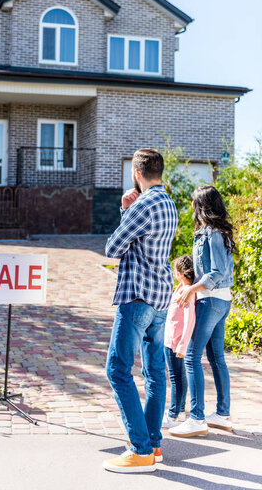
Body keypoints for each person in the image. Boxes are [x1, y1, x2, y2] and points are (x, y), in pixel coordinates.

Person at [102, 148, 178, 474]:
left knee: (117, 370)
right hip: (161, 297)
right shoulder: (169, 204)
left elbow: (112, 248)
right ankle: (154, 443)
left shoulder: (142, 205)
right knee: (155, 374)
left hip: (137, 297)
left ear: (136, 173)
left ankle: (140, 449)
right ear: (160, 172)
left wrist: (124, 210)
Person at [169, 185, 234, 438]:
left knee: (192, 357)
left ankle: (196, 418)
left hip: (211, 301)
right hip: (222, 300)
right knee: (217, 358)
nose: (192, 207)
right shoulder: (215, 233)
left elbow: (216, 272)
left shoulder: (213, 234)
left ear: (202, 205)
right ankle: (222, 414)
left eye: (194, 202)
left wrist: (192, 289)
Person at [162, 254, 196, 429]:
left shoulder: (187, 292)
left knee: (176, 378)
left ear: (181, 273)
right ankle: (181, 411)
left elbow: (190, 320)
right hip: (170, 340)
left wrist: (182, 345)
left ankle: (172, 414)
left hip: (176, 343)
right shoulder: (180, 289)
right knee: (179, 377)